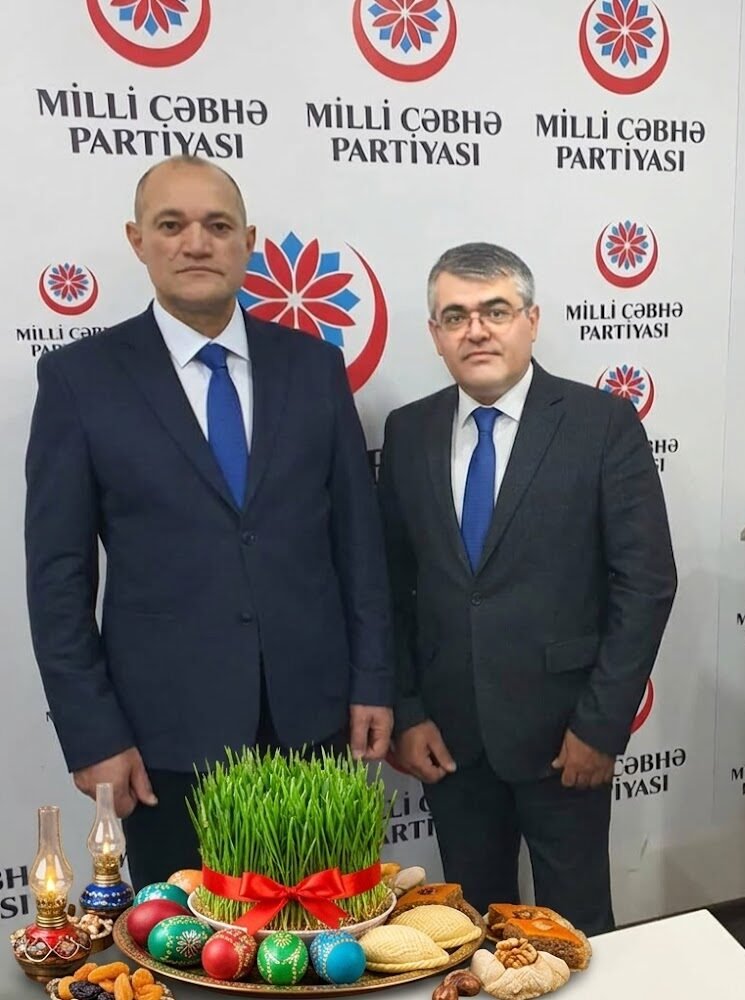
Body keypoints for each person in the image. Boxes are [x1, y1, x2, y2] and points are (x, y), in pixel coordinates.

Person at [25, 155, 393, 888]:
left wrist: (373, 679)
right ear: (138, 240)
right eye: (172, 225)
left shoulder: (314, 368)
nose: (196, 243)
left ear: (247, 242)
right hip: (164, 740)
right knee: (188, 942)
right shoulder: (80, 379)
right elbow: (58, 580)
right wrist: (93, 735)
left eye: (218, 226)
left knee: (322, 931)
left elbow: (359, 543)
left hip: (312, 723)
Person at [379, 242, 676, 936]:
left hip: (564, 737)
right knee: (470, 932)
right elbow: (391, 584)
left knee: (579, 932)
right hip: (448, 742)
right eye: (456, 316)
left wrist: (600, 726)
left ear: (532, 321)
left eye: (496, 311)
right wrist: (409, 711)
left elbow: (645, 583)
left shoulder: (602, 424)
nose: (476, 330)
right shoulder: (409, 431)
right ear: (435, 334)